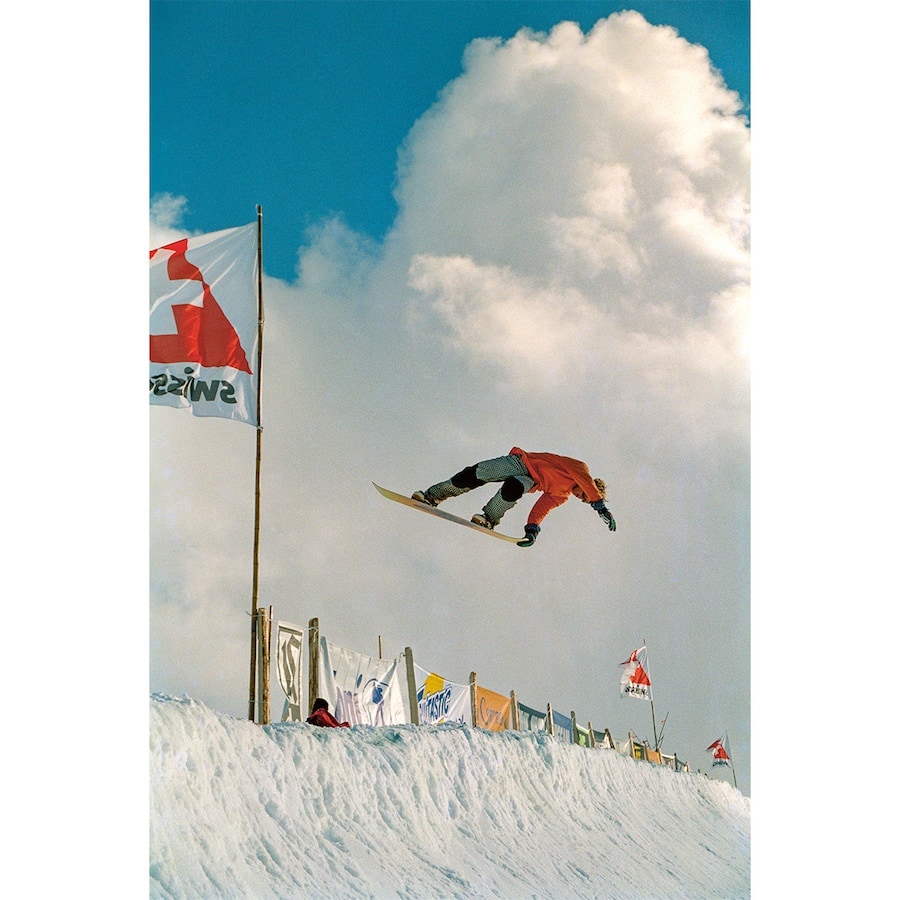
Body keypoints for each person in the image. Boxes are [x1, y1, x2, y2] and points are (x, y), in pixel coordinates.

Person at [412, 446, 616, 547]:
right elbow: (588, 485)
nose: (581, 498)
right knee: (474, 474)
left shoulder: (561, 496)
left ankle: (489, 518)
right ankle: (433, 496)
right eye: (584, 496)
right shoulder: (580, 469)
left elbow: (540, 510)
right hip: (521, 462)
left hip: (529, 481)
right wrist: (600, 508)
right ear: (589, 486)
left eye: (584, 500)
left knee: (514, 488)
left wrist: (532, 531)